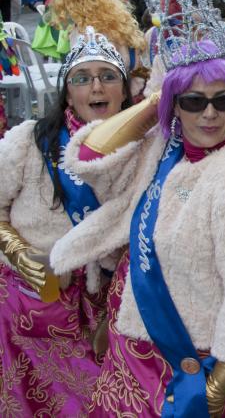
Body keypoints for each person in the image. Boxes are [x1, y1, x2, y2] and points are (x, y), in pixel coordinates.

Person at [51, 28, 225, 415]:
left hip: (189, 363)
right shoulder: (163, 151)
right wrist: (160, 101)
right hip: (132, 350)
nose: (209, 113)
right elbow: (87, 156)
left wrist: (216, 389)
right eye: (193, 101)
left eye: (224, 100)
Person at [0, 27, 131, 415]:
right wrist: (18, 252)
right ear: (67, 92)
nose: (96, 88)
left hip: (111, 307)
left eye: (108, 76)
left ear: (124, 90)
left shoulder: (147, 149)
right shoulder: (29, 140)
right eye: (82, 78)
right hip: (33, 303)